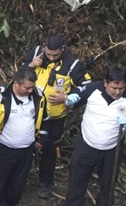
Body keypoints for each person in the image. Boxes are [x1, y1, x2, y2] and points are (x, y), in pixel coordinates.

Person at [60, 69, 126, 206]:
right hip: (86, 144)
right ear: (106, 83)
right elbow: (72, 102)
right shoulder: (92, 89)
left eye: (121, 88)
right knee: (77, 179)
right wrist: (69, 100)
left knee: (108, 182)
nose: (117, 92)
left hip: (112, 149)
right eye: (114, 87)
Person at [24, 34, 89, 197]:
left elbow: (86, 86)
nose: (51, 58)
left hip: (54, 118)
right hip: (29, 112)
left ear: (63, 49)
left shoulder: (72, 64)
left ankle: (45, 183)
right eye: (49, 54)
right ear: (44, 47)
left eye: (55, 55)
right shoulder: (37, 52)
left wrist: (67, 97)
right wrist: (31, 65)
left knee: (49, 149)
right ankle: (21, 177)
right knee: (23, 145)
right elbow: (20, 74)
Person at [0, 68, 42, 206]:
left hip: (26, 150)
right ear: (16, 83)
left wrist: (40, 140)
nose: (30, 90)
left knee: (17, 181)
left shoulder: (38, 96)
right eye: (27, 87)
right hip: (3, 148)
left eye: (32, 87)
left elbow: (44, 117)